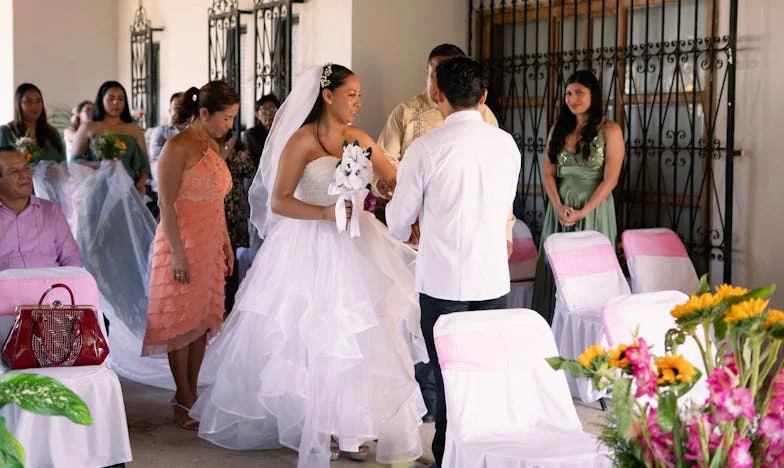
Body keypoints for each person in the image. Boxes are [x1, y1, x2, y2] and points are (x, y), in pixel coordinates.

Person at [191, 64, 426, 468]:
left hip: (358, 243)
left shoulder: (359, 138)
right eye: (351, 93)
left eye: (359, 94)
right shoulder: (301, 141)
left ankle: (354, 424)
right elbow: (279, 200)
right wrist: (326, 213)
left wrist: (388, 195)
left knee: (362, 334)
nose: (358, 101)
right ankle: (321, 425)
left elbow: (392, 180)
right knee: (314, 335)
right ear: (328, 96)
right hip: (309, 244)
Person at [386, 56, 521, 468]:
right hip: (493, 279)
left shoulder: (427, 148)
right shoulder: (507, 145)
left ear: (437, 94)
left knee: (447, 376)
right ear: (483, 97)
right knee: (482, 374)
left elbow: (397, 221)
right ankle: (481, 453)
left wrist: (410, 224)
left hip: (443, 282)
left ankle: (448, 453)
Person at [141, 81, 237, 430]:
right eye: (225, 118)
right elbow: (165, 204)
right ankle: (182, 396)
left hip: (211, 242)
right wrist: (178, 254)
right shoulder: (176, 147)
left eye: (232, 118)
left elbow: (217, 201)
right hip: (179, 243)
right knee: (179, 322)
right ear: (204, 113)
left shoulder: (215, 145)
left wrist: (226, 242)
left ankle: (192, 393)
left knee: (201, 322)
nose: (229, 124)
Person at [530, 70, 624, 324]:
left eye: (580, 92)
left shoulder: (611, 130)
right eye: (569, 93)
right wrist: (558, 206)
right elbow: (548, 173)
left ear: (594, 95)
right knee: (555, 268)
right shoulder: (558, 129)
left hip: (594, 208)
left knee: (589, 269)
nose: (573, 98)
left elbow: (611, 179)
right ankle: (551, 328)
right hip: (560, 209)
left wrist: (584, 211)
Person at [0, 146, 81, 270]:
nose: (25, 175)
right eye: (14, 171)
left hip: (51, 287)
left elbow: (71, 259)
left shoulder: (49, 210)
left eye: (26, 168)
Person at [71, 81, 151, 196]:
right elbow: (74, 161)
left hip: (128, 190)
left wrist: (140, 184)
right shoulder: (88, 127)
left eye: (120, 99)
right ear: (101, 100)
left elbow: (144, 165)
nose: (116, 103)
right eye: (111, 98)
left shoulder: (134, 129)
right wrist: (99, 165)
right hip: (96, 190)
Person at [216, 129, 256, 314]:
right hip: (218, 207)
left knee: (232, 253)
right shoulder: (207, 147)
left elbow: (250, 169)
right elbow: (214, 169)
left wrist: (233, 154)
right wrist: (224, 152)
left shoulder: (238, 147)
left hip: (235, 208)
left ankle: (230, 303)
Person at [0, 84, 66, 164]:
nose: (34, 106)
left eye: (38, 101)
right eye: (28, 101)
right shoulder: (5, 132)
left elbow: (63, 164)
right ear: (18, 104)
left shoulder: (52, 133)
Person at [242, 93, 279, 167]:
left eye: (272, 110)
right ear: (257, 115)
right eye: (264, 110)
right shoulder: (250, 135)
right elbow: (251, 163)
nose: (268, 114)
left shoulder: (284, 132)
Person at [149, 92, 185, 164]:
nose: (180, 111)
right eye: (176, 107)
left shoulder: (194, 131)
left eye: (183, 108)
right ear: (170, 111)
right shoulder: (160, 131)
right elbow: (155, 153)